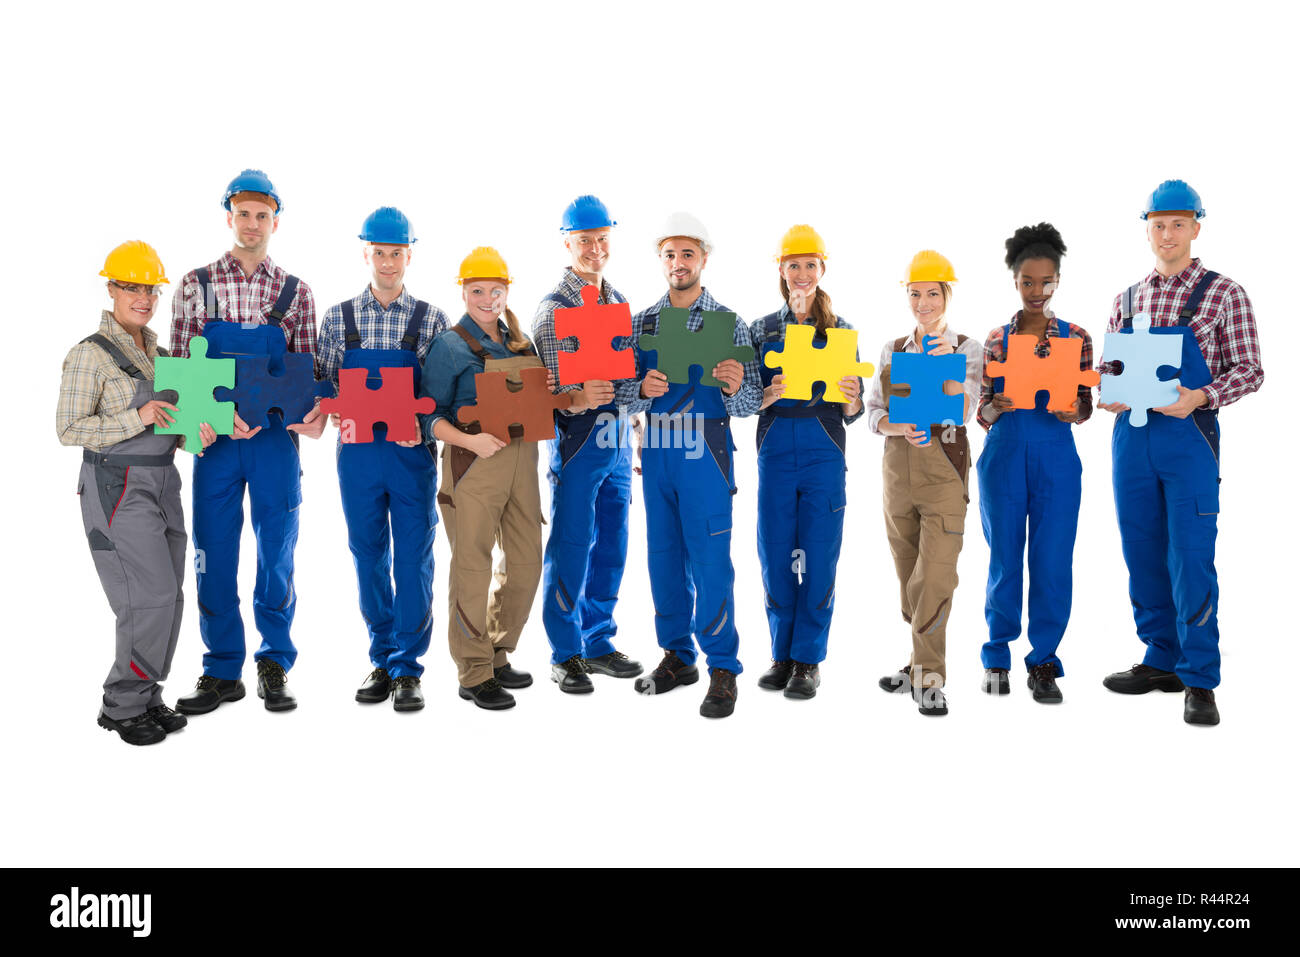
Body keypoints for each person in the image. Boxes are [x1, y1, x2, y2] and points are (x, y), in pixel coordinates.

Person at [1098, 180, 1263, 726]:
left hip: (1190, 438)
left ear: (1196, 226)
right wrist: (1107, 394)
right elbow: (1109, 371)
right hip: (1131, 440)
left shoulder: (1224, 293)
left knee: (1190, 555)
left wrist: (1200, 395)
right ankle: (1159, 658)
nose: (1167, 234)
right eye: (1157, 224)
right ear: (1147, 228)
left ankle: (1199, 677)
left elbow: (1250, 369)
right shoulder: (1125, 299)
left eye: (1177, 224)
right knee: (1141, 551)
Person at [170, 169, 326, 716]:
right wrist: (206, 418)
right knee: (212, 554)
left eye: (263, 215)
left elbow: (309, 378)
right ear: (230, 217)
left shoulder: (297, 293)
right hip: (215, 445)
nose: (253, 223)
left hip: (275, 447)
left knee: (276, 553)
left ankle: (274, 662)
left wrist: (316, 417)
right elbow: (181, 375)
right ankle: (220, 669)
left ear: (275, 221)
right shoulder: (196, 285)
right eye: (244, 214)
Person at [57, 241, 215, 745]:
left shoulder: (164, 354)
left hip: (164, 481)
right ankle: (121, 704)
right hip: (115, 484)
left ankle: (147, 695)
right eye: (132, 286)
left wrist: (198, 435)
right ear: (111, 289)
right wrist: (138, 416)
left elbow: (178, 427)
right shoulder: (89, 355)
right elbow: (68, 429)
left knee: (170, 596)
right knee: (147, 597)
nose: (143, 297)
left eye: (150, 287)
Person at [616, 212, 762, 719]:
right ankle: (678, 656)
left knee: (711, 562)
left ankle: (723, 666)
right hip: (657, 458)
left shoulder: (730, 323)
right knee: (663, 559)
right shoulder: (642, 324)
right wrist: (641, 390)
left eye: (687, 254)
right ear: (661, 259)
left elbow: (749, 406)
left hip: (707, 458)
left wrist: (732, 385)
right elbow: (622, 398)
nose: (678, 263)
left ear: (704, 258)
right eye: (669, 254)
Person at [317, 207, 448, 712]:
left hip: (412, 456)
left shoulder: (431, 319)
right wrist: (319, 407)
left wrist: (425, 418)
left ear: (409, 255)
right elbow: (324, 386)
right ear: (365, 253)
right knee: (368, 555)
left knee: (414, 559)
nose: (388, 262)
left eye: (397, 253)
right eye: (380, 252)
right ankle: (383, 655)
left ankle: (409, 668)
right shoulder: (337, 318)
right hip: (358, 458)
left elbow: (441, 394)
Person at [421, 247, 552, 711]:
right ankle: (473, 671)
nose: (487, 298)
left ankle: (497, 650)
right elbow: (426, 416)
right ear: (463, 291)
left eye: (495, 290)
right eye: (477, 290)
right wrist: (469, 441)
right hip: (472, 464)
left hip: (524, 464)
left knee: (526, 563)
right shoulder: (449, 345)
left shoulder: (521, 345)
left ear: (506, 292)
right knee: (472, 566)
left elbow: (539, 403)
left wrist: (576, 399)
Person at [975, 223, 1093, 704]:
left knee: (1052, 560)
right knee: (1004, 559)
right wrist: (995, 408)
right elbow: (980, 410)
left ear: (1058, 281)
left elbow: (1083, 403)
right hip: (1004, 454)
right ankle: (997, 656)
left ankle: (1044, 660)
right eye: (1028, 281)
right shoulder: (997, 339)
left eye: (1046, 282)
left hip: (1056, 457)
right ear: (1015, 281)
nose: (1037, 291)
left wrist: (1075, 411)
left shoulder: (1077, 337)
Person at [531, 195, 643, 694]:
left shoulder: (619, 302)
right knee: (573, 543)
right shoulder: (553, 309)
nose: (595, 249)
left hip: (618, 439)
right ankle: (565, 651)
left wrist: (636, 431)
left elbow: (627, 378)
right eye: (584, 241)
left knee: (613, 545)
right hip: (576, 440)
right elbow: (545, 393)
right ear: (566, 242)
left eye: (602, 239)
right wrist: (576, 396)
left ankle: (598, 640)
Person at [866, 250, 983, 716]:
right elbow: (873, 412)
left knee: (935, 576)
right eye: (915, 293)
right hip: (898, 471)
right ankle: (917, 661)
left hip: (944, 472)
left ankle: (930, 678)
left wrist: (946, 371)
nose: (923, 302)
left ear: (947, 295)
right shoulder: (892, 348)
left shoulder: (968, 348)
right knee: (907, 577)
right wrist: (896, 427)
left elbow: (968, 407)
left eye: (933, 293)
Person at [750, 225, 864, 699]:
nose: (800, 274)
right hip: (775, 447)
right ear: (780, 270)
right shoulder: (761, 330)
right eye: (792, 265)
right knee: (775, 553)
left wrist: (852, 400)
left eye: (809, 265)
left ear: (822, 270)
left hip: (824, 448)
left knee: (818, 553)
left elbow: (853, 411)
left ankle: (808, 659)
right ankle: (782, 654)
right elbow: (742, 399)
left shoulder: (840, 331)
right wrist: (763, 395)